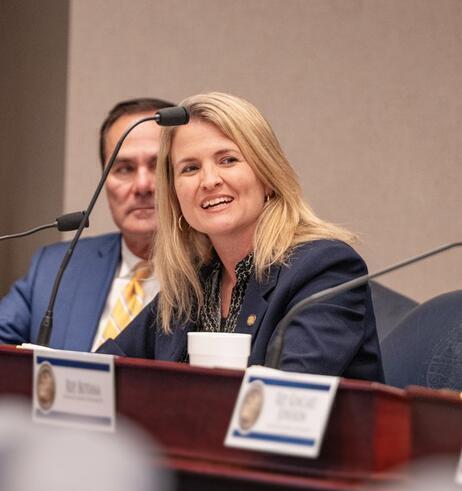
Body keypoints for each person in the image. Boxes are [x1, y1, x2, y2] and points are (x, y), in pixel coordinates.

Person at [99, 92, 383, 380]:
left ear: (268, 176)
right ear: (174, 195)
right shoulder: (192, 286)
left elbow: (283, 397)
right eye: (190, 168)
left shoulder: (325, 268)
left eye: (228, 160)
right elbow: (101, 373)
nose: (209, 181)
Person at [0, 97, 174, 351]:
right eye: (124, 169)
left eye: (157, 166)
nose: (142, 186)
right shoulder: (55, 267)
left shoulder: (217, 277)